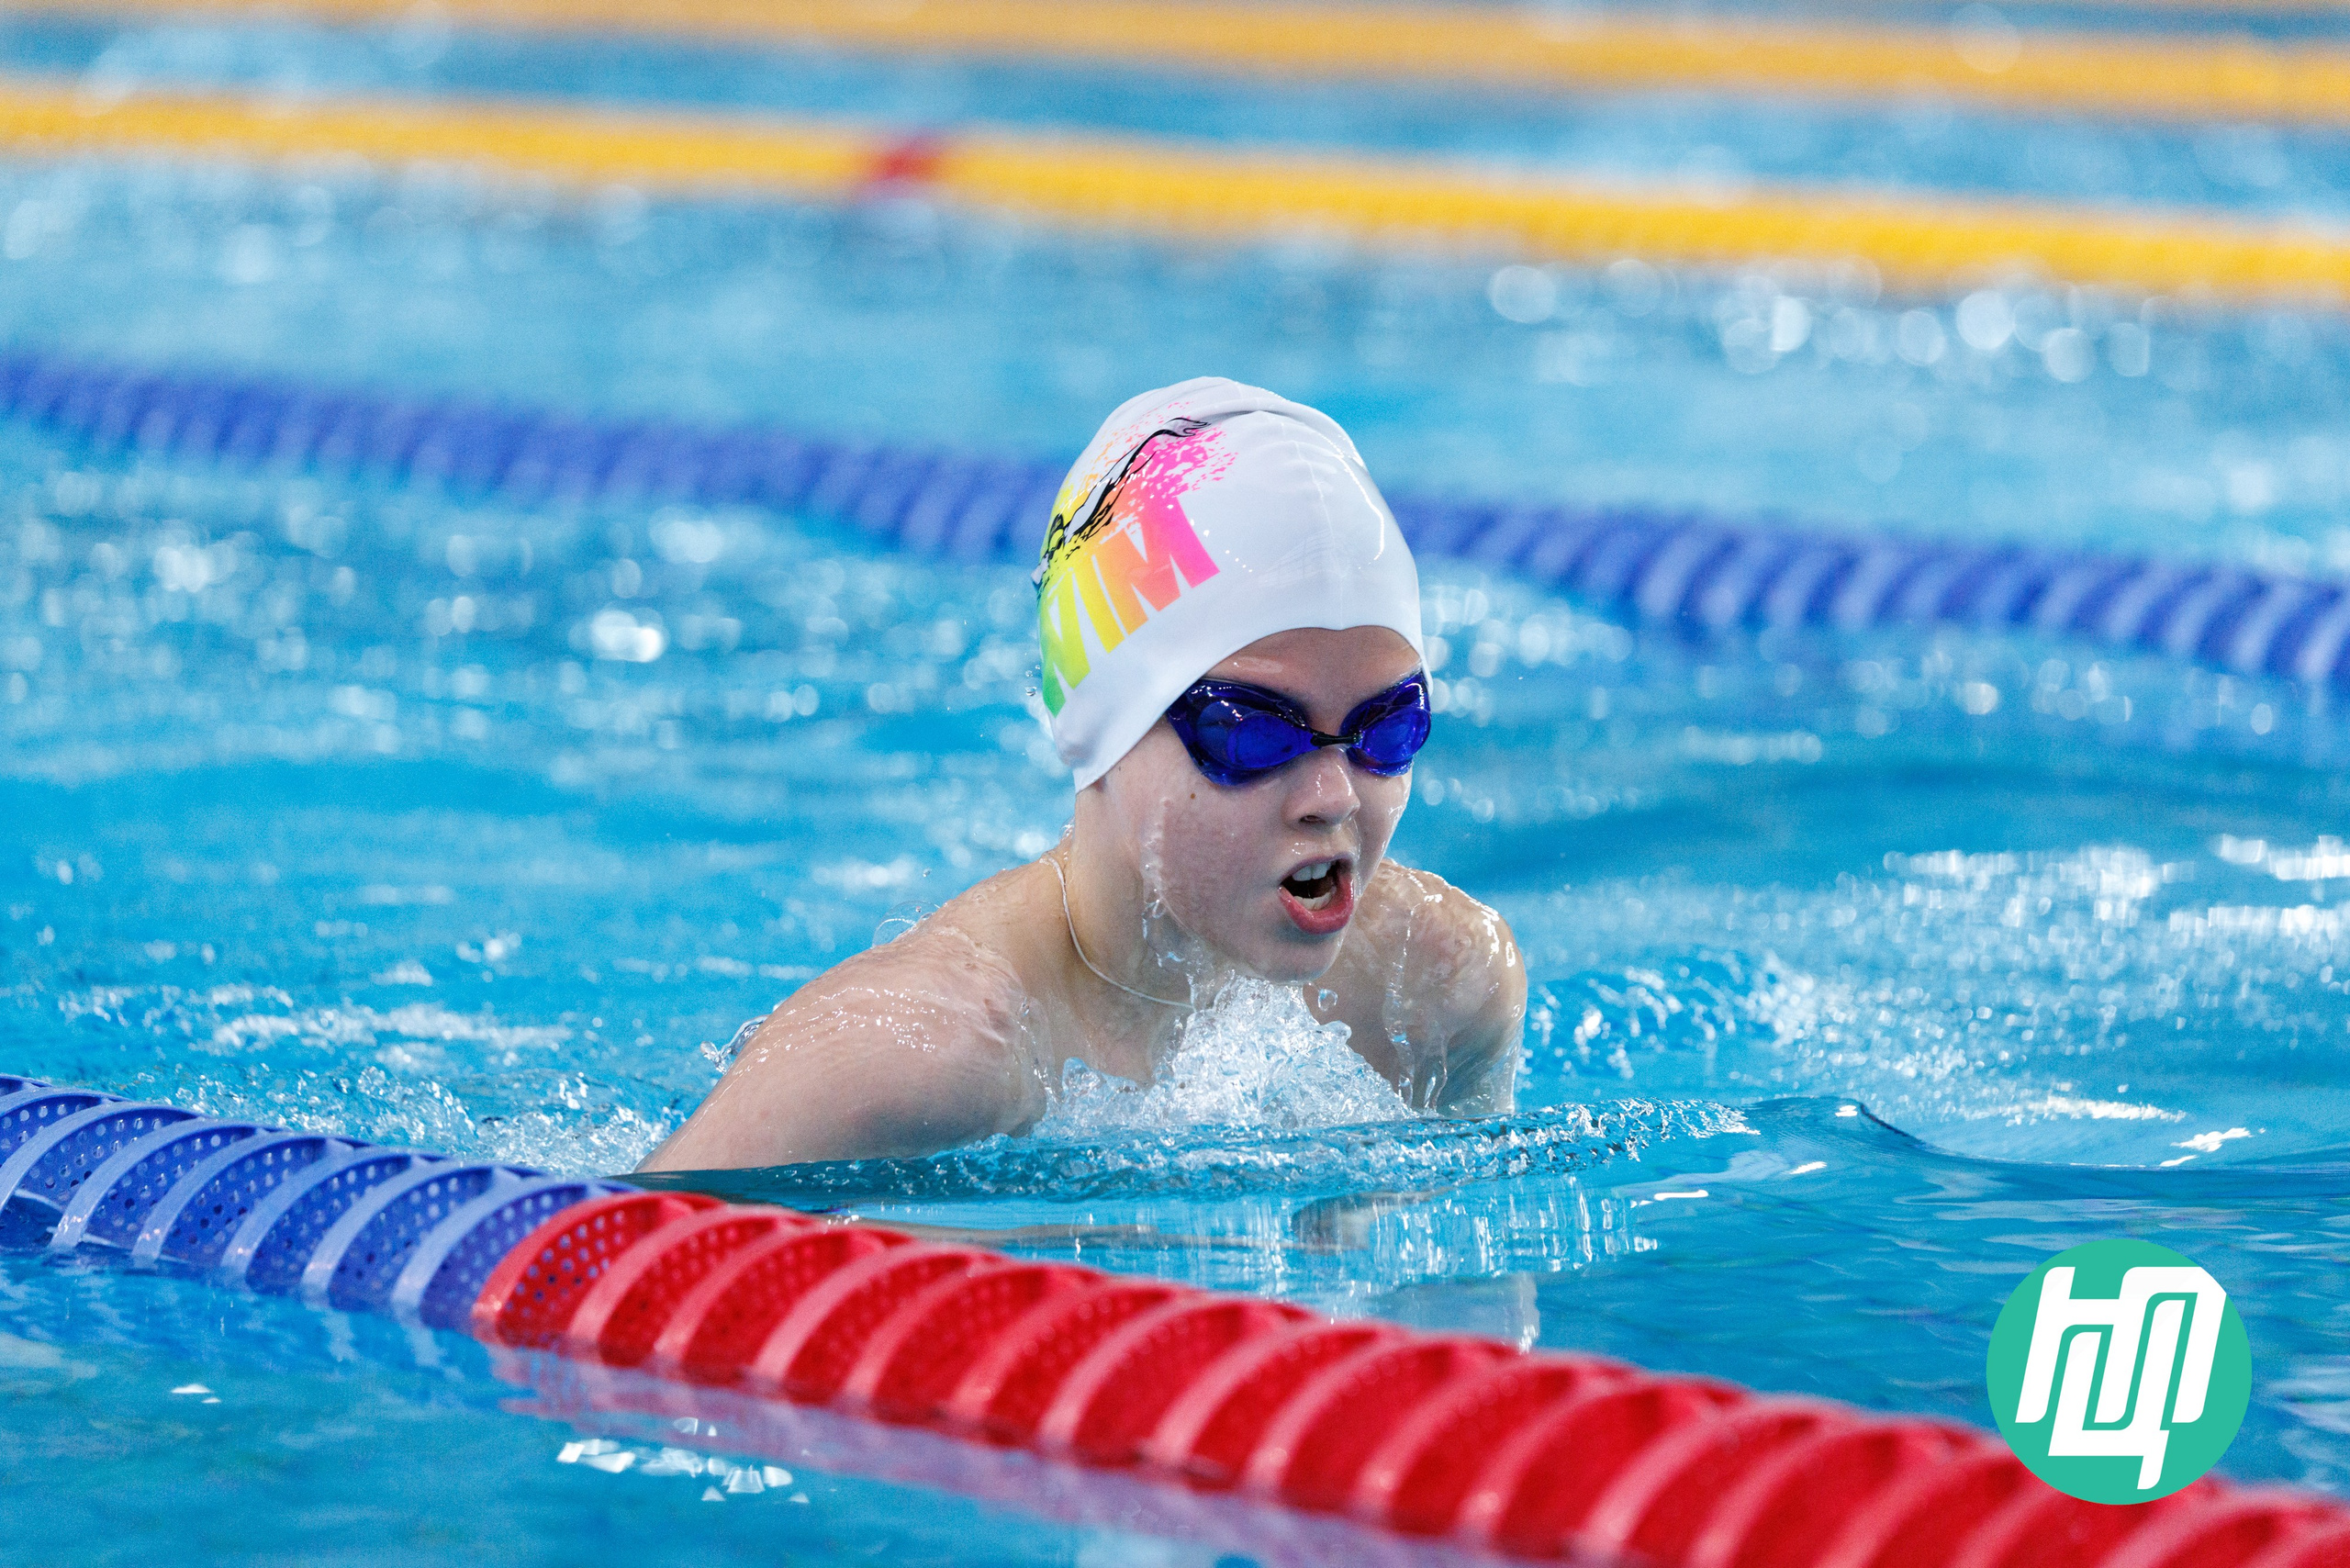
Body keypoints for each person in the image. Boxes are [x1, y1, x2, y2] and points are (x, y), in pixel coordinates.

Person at [639, 378, 1526, 1172]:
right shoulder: (918, 1060)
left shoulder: (1436, 989)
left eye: (1387, 726)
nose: (1335, 799)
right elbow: (580, 1280)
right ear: (1105, 727)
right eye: (1251, 734)